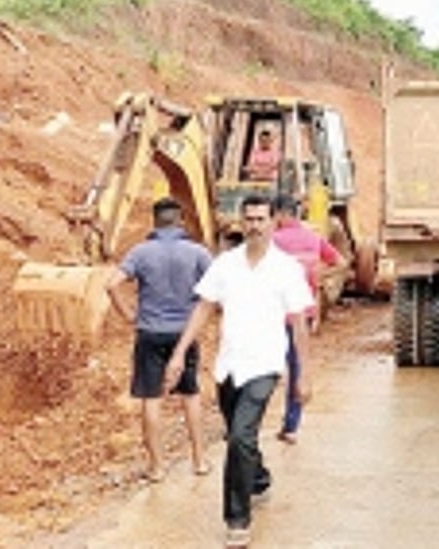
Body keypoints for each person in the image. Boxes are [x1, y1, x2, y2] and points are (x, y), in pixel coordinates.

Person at [164, 194, 313, 548]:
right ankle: (258, 479)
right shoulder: (226, 264)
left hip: (264, 365)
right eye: (249, 219)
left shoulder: (286, 269)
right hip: (228, 366)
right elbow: (204, 308)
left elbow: (299, 324)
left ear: (274, 223)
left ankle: (237, 519)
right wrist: (179, 352)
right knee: (239, 435)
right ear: (241, 222)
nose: (255, 226)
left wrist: (302, 375)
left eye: (261, 219)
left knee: (241, 437)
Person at [105, 197, 212, 482]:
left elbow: (111, 284)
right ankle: (200, 461)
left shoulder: (141, 253)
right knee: (190, 395)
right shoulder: (197, 253)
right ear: (180, 220)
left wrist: (129, 314)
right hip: (184, 335)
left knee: (151, 399)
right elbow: (215, 289)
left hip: (150, 333)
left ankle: (157, 467)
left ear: (154, 221)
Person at [271, 194, 347, 444]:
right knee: (297, 368)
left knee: (263, 367)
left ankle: (245, 422)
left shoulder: (273, 240)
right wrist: (318, 279)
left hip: (274, 313)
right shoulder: (314, 238)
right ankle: (291, 427)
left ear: (280, 215)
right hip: (304, 313)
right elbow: (341, 262)